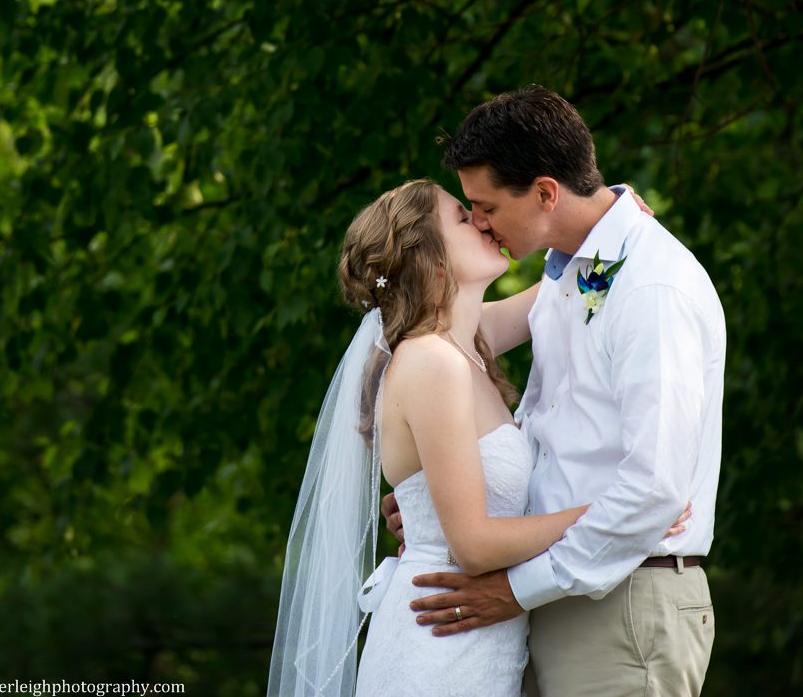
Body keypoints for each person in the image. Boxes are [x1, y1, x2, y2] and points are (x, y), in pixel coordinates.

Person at [268, 176, 690, 697]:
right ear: (433, 259)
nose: (483, 221)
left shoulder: (466, 345)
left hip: (479, 636)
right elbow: (472, 544)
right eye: (464, 218)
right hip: (442, 642)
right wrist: (625, 511)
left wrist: (609, 210)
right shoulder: (432, 363)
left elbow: (572, 285)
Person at [393, 87, 725, 697]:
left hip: (623, 602)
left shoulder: (653, 289)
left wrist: (516, 589)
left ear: (545, 192)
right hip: (554, 591)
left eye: (486, 206)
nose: (479, 222)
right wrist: (433, 499)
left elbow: (655, 488)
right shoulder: (574, 272)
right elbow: (549, 434)